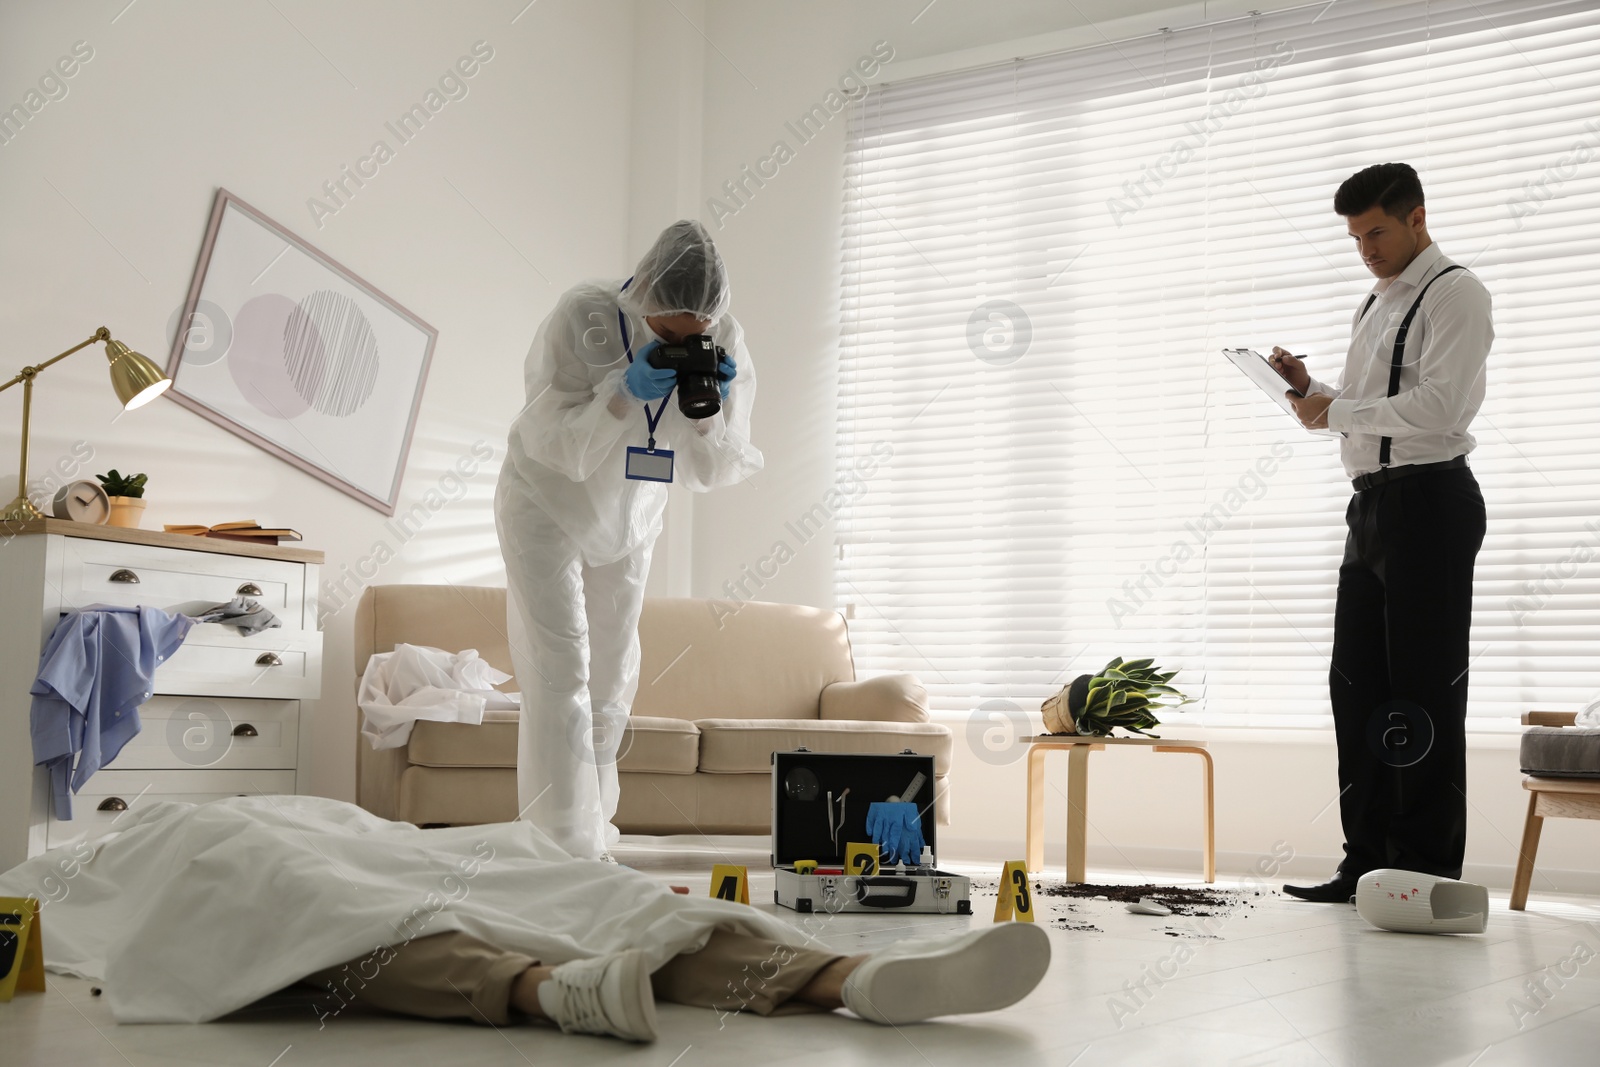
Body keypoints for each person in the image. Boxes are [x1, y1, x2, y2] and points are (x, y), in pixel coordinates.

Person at [495, 221, 761, 859]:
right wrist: (620, 392)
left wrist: (716, 409)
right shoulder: (583, 313)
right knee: (562, 666)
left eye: (693, 334)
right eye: (668, 331)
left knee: (613, 678)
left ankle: (595, 829)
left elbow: (714, 469)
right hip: (545, 502)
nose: (681, 342)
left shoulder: (723, 336)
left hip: (630, 514)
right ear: (642, 292)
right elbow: (545, 435)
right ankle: (561, 846)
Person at [1269, 163, 1492, 902]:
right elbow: (1369, 404)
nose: (1366, 248)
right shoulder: (1375, 301)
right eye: (1356, 236)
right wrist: (1312, 392)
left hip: (1431, 503)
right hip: (1370, 506)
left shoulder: (1456, 292)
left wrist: (1337, 411)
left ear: (1417, 219)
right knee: (1356, 686)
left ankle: (1423, 870)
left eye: (1377, 232)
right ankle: (1363, 860)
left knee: (1423, 690)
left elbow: (1437, 409)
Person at [303, 921, 1051, 1042]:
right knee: (346, 922)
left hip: (376, 838)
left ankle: (856, 976)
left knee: (595, 904)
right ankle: (552, 989)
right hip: (278, 859)